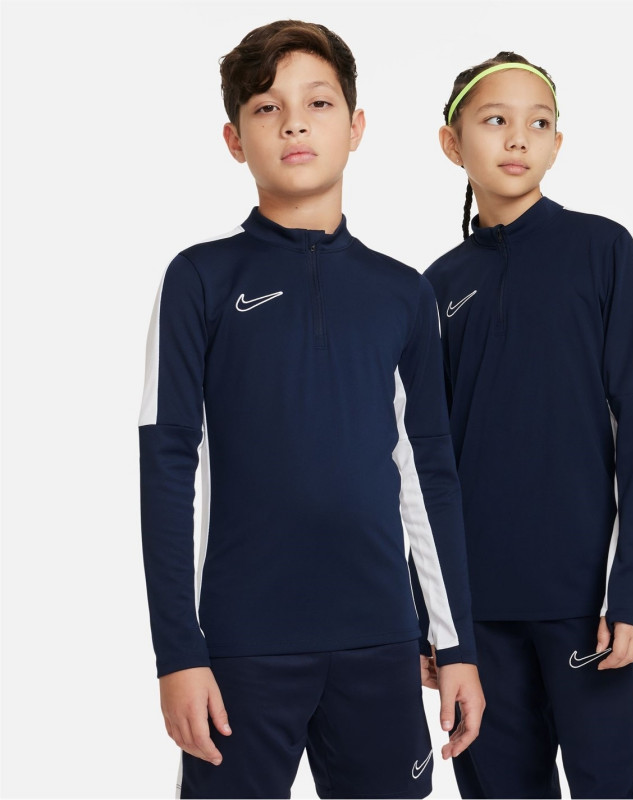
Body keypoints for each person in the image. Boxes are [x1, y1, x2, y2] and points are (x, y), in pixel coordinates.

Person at [138, 20, 484, 800]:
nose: (294, 123)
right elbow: (165, 468)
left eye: (318, 103)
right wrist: (178, 653)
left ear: (355, 127)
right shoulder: (200, 280)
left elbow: (428, 474)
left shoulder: (403, 294)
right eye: (267, 108)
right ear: (235, 140)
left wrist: (456, 643)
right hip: (242, 647)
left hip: (381, 642)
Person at [416, 51, 633, 799]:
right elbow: (424, 465)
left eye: (539, 122)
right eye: (495, 120)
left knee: (611, 786)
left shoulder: (602, 249)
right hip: (477, 614)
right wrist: (430, 619)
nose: (518, 138)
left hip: (583, 604)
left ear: (558, 143)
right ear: (452, 143)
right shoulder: (436, 287)